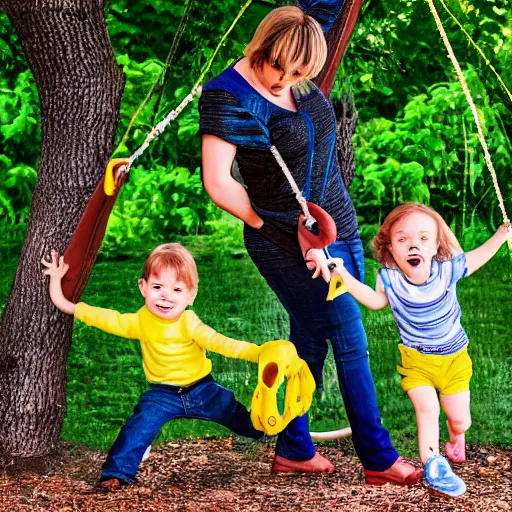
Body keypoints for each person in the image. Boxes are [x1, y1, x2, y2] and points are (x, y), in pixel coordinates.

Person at [199, 0, 422, 484]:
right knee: (349, 338)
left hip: (338, 226)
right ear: (263, 44)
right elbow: (218, 182)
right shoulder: (228, 96)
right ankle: (379, 459)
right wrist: (271, 225)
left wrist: (324, 231)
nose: (286, 78)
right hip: (286, 241)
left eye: (300, 72)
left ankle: (295, 449)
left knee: (310, 338)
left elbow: (321, 9)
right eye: (279, 66)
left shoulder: (299, 42)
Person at [42, 243, 264, 490]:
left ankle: (272, 433)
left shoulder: (189, 323)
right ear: (143, 288)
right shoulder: (140, 322)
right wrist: (56, 282)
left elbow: (223, 344)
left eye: (177, 289)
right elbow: (93, 314)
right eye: (158, 287)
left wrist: (259, 353)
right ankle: (116, 474)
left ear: (190, 295)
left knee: (245, 420)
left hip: (203, 390)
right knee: (138, 426)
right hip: (163, 394)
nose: (166, 296)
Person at [327, 202, 512, 496]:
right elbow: (374, 302)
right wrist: (341, 275)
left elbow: (478, 256)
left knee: (461, 420)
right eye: (403, 240)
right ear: (390, 249)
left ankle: (455, 439)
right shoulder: (389, 278)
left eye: (423, 239)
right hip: (417, 362)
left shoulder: (447, 271)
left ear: (436, 245)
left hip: (454, 362)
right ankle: (434, 463)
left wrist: (503, 234)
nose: (414, 245)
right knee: (427, 409)